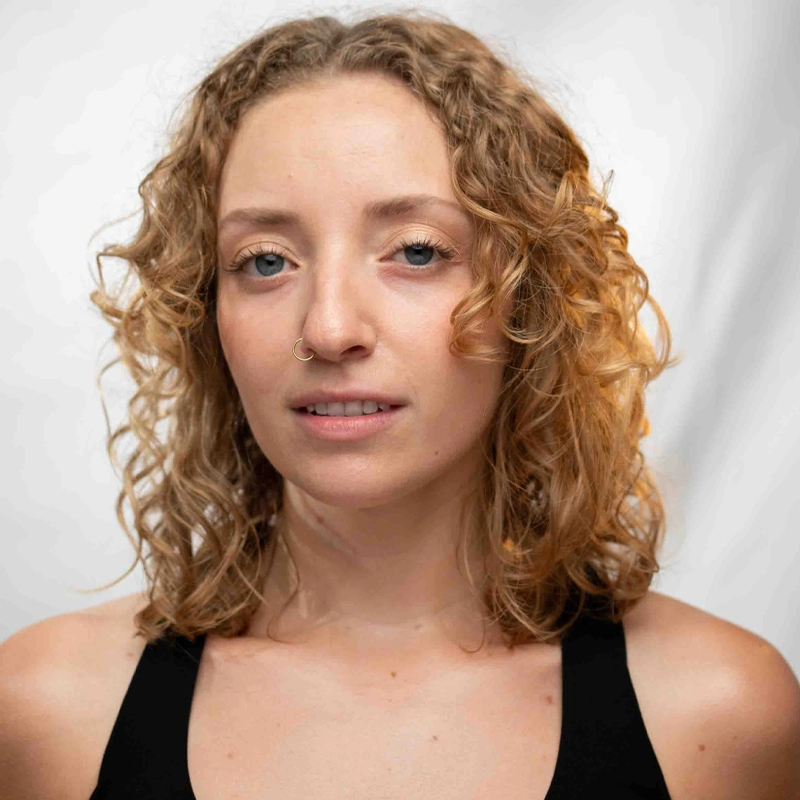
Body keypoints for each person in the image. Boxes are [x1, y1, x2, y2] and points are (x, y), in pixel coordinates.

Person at [1, 10, 798, 800]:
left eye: (416, 252)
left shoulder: (717, 714)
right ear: (207, 313)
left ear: (528, 302)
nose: (330, 327)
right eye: (266, 261)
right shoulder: (48, 711)